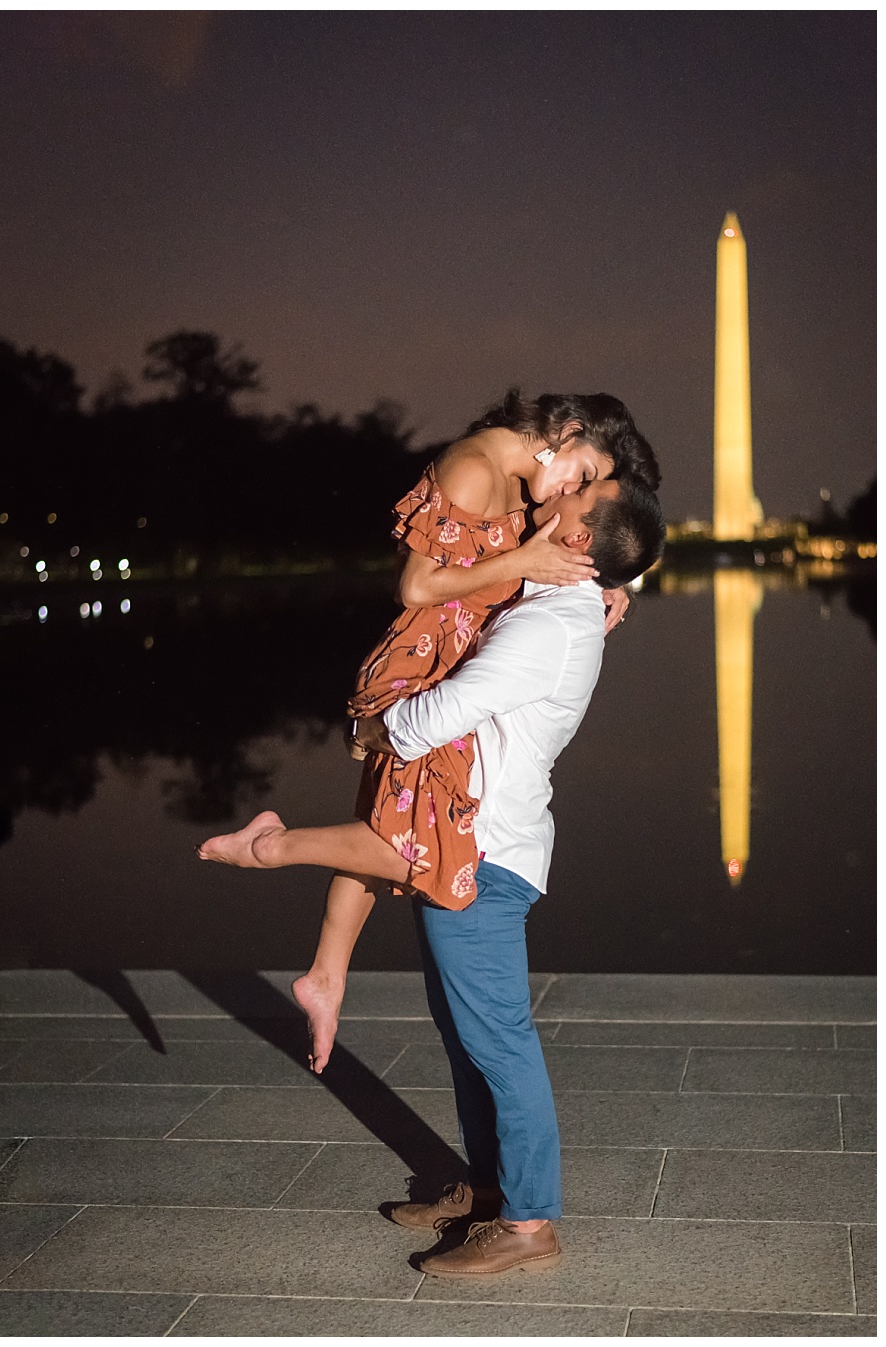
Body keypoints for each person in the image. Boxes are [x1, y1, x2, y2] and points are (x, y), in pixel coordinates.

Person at [200, 390, 660, 1073]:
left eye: (587, 488)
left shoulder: (532, 483)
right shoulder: (475, 467)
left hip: (456, 662)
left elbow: (612, 524)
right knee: (425, 854)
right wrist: (524, 565)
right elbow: (416, 587)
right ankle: (270, 847)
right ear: (564, 434)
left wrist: (616, 582)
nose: (571, 495)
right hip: (425, 665)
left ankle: (326, 975)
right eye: (582, 475)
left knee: (387, 824)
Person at [348, 474, 666, 1275]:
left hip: (483, 854)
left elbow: (444, 712)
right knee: (469, 1037)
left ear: (582, 540)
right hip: (469, 843)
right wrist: (622, 580)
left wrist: (376, 722)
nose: (559, 488)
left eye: (580, 492)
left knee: (499, 1042)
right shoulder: (560, 594)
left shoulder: (554, 624)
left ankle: (528, 1224)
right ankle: (488, 1187)